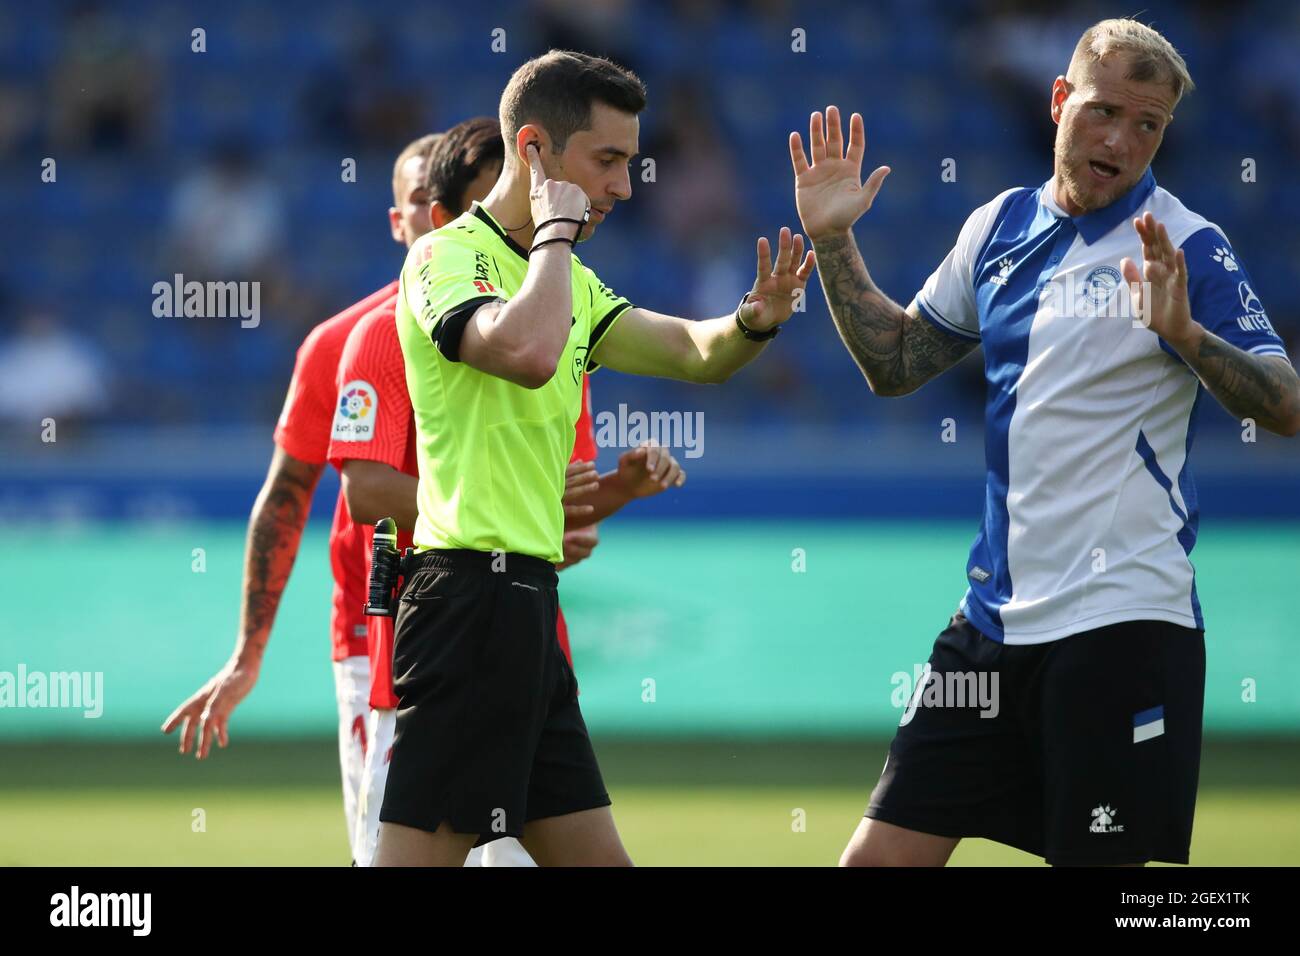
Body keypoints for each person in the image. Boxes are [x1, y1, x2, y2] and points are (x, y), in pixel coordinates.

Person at [788, 17, 1298, 867]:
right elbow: (897, 362)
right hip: (988, 627)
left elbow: (1285, 404)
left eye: (1149, 126)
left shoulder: (1187, 245)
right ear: (1059, 100)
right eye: (1105, 111)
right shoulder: (998, 228)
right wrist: (834, 241)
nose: (1122, 140)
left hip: (1124, 624)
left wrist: (1190, 338)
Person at [376, 50, 814, 866]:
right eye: (607, 160)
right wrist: (552, 231)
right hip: (464, 600)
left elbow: (693, 352)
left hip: (528, 607)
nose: (623, 186)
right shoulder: (444, 258)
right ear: (536, 151)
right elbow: (527, 352)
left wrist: (756, 318)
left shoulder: (566, 277)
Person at [330, 116, 685, 867]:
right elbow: (362, 491)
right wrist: (482, 504)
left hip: (526, 629)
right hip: (437, 626)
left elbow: (560, 528)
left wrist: (616, 490)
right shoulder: (374, 336)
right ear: (443, 220)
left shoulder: (561, 327)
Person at [161, 134, 438, 863]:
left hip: (495, 622)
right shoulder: (344, 341)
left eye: (456, 204)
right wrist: (249, 654)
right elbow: (286, 496)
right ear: (396, 220)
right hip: (374, 633)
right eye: (421, 202)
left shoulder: (519, 340)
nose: (439, 218)